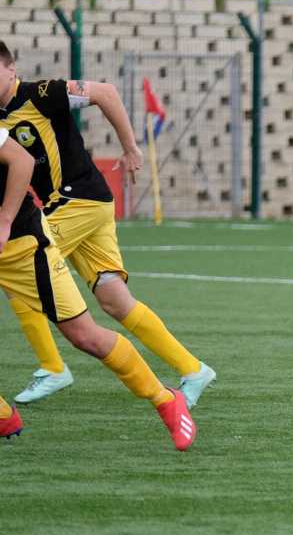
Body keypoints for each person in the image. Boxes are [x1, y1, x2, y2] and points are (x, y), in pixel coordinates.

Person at [0, 41, 215, 407]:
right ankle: (193, 369)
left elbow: (106, 92)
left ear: (11, 68)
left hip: (77, 200)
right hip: (86, 206)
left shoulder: (41, 93)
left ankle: (53, 367)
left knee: (19, 257)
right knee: (115, 300)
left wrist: (130, 147)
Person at [0, 126, 195, 449]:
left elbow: (22, 160)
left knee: (84, 336)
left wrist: (5, 219)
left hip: (21, 245)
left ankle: (165, 399)